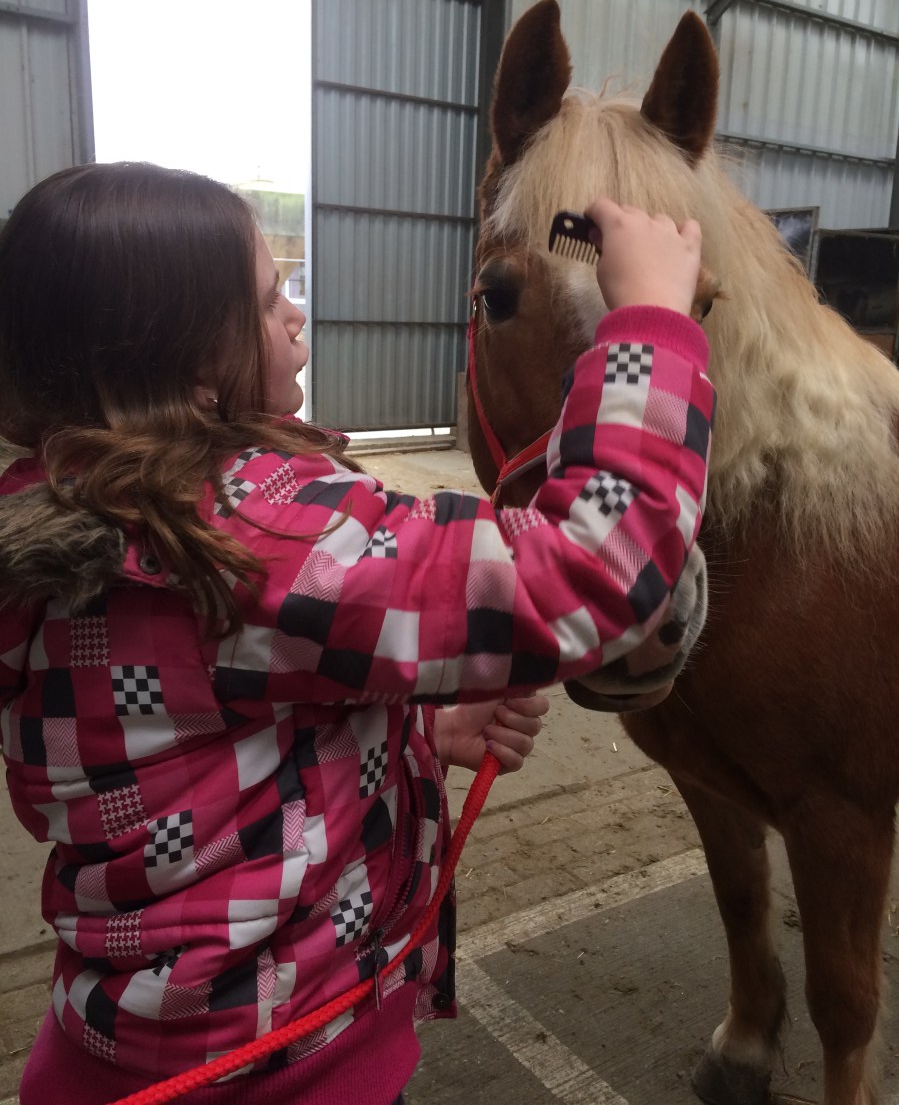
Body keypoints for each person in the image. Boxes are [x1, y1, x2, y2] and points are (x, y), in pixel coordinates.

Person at [0, 163, 712, 1105]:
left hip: (120, 1045)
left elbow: (213, 757)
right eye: (267, 301)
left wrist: (417, 733)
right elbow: (593, 570)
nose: (296, 314)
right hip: (276, 1070)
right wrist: (653, 324)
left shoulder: (72, 512)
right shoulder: (253, 538)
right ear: (191, 363)